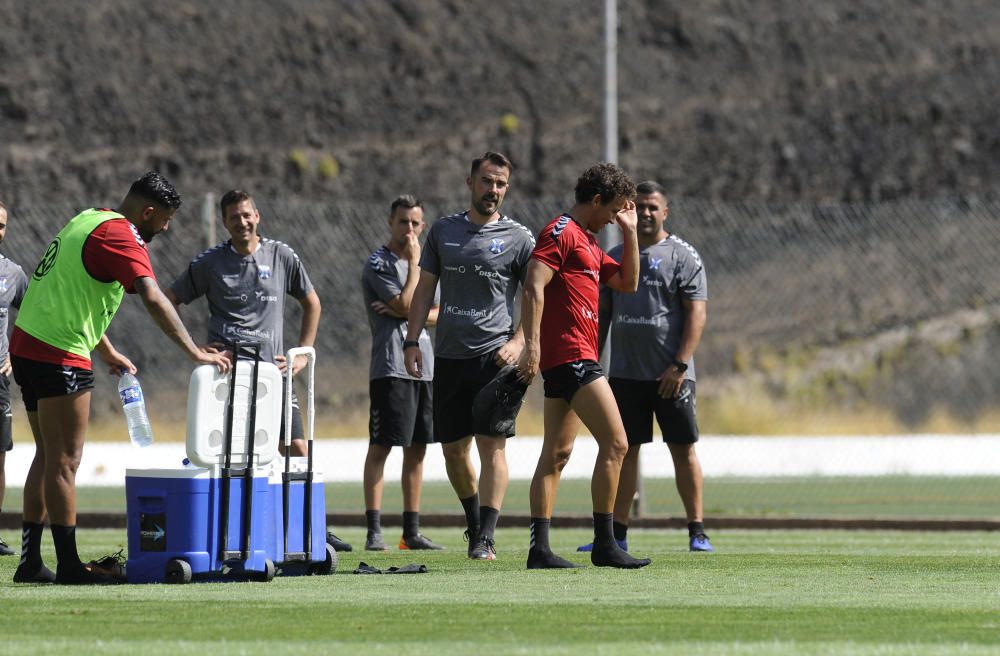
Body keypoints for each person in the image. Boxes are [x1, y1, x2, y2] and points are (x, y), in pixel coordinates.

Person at [10, 172, 231, 584]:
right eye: (164, 221)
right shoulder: (123, 237)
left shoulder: (91, 218)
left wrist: (107, 350)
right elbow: (153, 296)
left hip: (27, 344)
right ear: (147, 212)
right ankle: (71, 568)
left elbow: (70, 293)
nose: (165, 229)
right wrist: (195, 351)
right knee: (66, 462)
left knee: (46, 454)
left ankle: (30, 562)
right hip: (59, 353)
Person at [165, 189, 352, 553]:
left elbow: (312, 302)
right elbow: (168, 300)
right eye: (234, 217)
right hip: (228, 377)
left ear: (258, 215)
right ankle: (227, 530)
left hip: (273, 374)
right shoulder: (210, 262)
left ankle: (311, 527)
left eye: (247, 214)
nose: (243, 221)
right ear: (224, 222)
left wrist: (302, 353)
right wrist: (194, 347)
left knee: (297, 447)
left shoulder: (281, 255)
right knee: (227, 453)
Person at [516, 162, 651, 569]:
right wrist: (533, 346)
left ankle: (539, 550)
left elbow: (627, 282)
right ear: (595, 200)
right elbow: (533, 284)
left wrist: (628, 234)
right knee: (618, 443)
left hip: (574, 357)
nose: (614, 217)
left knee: (557, 453)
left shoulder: (590, 243)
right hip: (572, 356)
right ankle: (605, 543)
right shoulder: (561, 232)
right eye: (612, 210)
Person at [404, 151, 535, 561]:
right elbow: (424, 289)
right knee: (453, 451)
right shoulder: (443, 231)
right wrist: (411, 340)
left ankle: (487, 536)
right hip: (448, 357)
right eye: (486, 181)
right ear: (470, 183)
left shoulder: (519, 238)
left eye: (500, 184)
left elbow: (537, 295)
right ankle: (475, 523)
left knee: (492, 446)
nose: (492, 190)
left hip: (495, 359)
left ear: (506, 189)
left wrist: (520, 341)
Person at [578, 181, 713, 553]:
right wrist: (593, 360)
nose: (647, 213)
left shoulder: (684, 256)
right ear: (628, 210)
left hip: (672, 376)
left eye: (654, 207)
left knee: (682, 449)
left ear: (665, 212)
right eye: (639, 207)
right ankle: (614, 534)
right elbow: (602, 314)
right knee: (624, 451)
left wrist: (680, 364)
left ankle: (697, 531)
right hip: (624, 374)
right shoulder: (618, 254)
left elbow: (696, 314)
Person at [360, 195, 442, 551]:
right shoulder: (378, 263)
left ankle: (411, 532)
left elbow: (439, 311)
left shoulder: (429, 264)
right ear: (390, 223)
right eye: (402, 222)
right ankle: (374, 529)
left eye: (415, 223)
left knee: (418, 449)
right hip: (391, 367)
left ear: (422, 226)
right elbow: (409, 305)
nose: (409, 229)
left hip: (424, 367)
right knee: (381, 447)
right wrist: (411, 266)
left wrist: (412, 311)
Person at [0, 201, 28, 557]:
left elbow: (34, 313)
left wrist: (14, 353)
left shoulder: (12, 273)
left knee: (0, 456)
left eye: (2, 225)